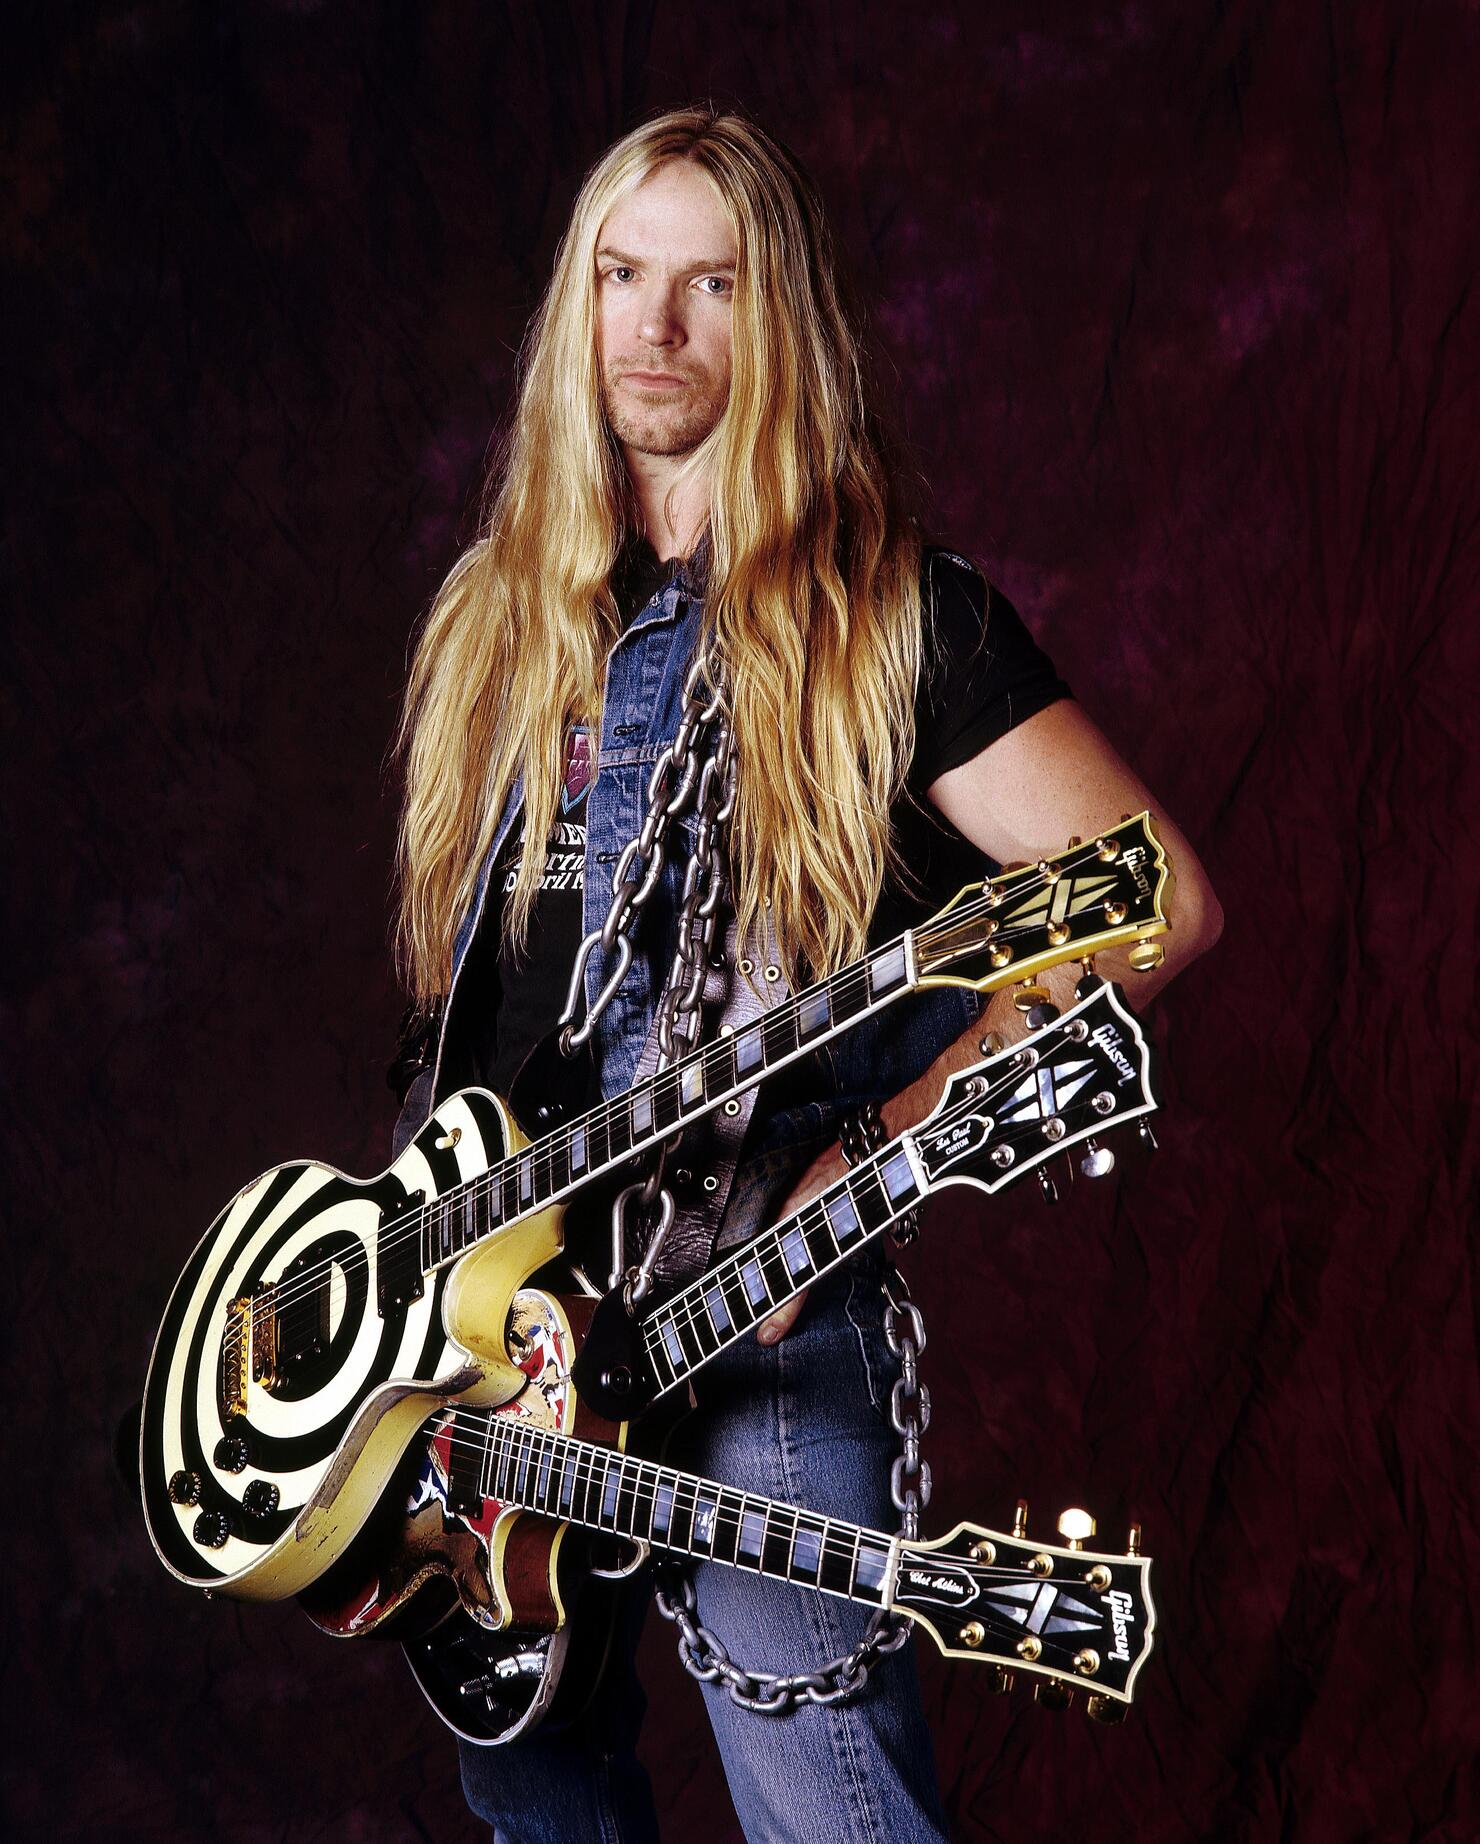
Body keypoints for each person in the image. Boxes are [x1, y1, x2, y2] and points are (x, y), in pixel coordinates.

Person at [391, 106, 1222, 1844]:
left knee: (835, 1816)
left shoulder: (896, 620)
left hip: (755, 1336)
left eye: (711, 283)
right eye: (622, 275)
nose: (655, 326)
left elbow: (1157, 904)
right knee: (539, 1806)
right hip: (497, 1357)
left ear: (780, 320)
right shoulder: (499, 616)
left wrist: (875, 1145)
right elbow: (474, 1016)